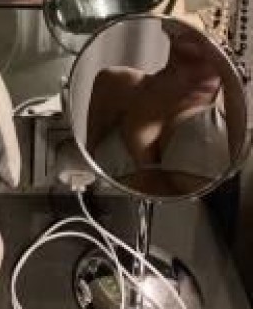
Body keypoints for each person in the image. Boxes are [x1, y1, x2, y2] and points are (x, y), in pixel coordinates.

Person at [85, 25, 236, 195]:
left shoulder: (235, 107)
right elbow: (85, 178)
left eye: (211, 16)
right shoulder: (114, 84)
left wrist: (231, 79)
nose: (196, 23)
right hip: (103, 211)